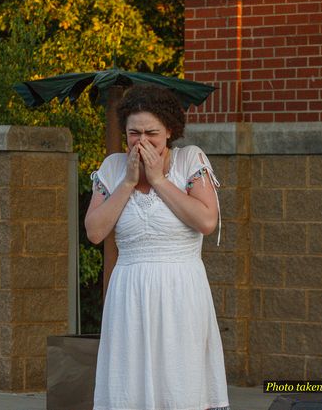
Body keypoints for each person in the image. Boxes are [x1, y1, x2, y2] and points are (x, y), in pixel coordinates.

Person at [85, 85, 230, 410]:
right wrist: (128, 182)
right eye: (134, 133)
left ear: (169, 132)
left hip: (180, 293)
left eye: (152, 132)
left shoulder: (189, 160)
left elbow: (206, 222)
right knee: (130, 387)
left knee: (179, 385)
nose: (142, 141)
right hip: (129, 296)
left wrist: (159, 180)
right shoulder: (112, 167)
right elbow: (95, 231)